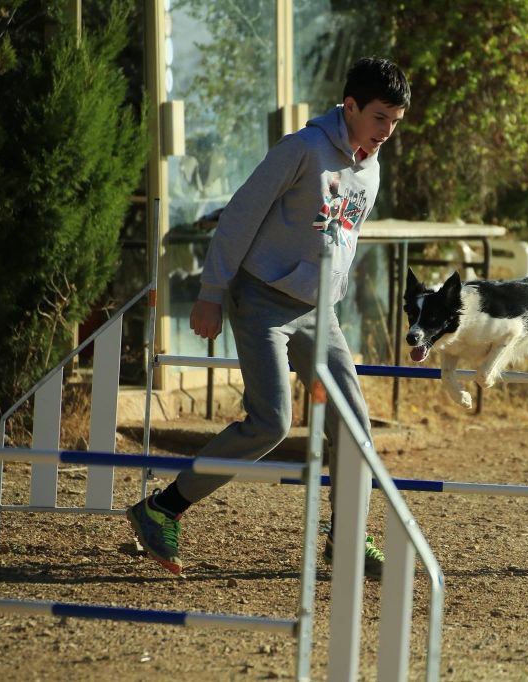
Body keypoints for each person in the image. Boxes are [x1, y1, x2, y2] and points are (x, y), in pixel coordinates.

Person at [127, 57, 411, 577]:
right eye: (379, 118)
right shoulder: (300, 150)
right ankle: (161, 508)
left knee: (355, 429)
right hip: (260, 301)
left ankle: (346, 540)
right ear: (349, 107)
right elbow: (240, 214)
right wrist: (212, 292)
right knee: (272, 422)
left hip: (318, 312)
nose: (387, 131)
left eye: (395, 121)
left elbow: (342, 239)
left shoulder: (370, 166)